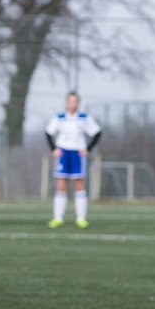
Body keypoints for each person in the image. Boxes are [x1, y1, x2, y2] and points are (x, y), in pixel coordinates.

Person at [44, 92, 102, 228]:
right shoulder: (59, 118)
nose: (72, 104)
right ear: (66, 103)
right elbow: (48, 132)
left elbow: (97, 132)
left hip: (77, 153)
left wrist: (88, 148)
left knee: (79, 184)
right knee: (61, 185)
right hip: (63, 153)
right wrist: (54, 149)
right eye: (70, 101)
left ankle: (81, 218)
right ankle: (58, 218)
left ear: (78, 103)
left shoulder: (84, 118)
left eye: (75, 101)